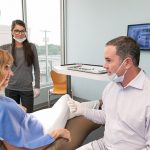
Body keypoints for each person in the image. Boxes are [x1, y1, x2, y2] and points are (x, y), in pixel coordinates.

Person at [68, 36, 150, 150]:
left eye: (109, 60)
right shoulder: (110, 88)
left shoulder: (147, 96)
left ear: (127, 63)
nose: (104, 65)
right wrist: (82, 110)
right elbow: (106, 116)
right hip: (104, 145)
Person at [0, 49, 72, 149]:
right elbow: (16, 147)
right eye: (6, 67)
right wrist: (57, 133)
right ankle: (98, 105)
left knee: (69, 104)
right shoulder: (3, 109)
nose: (11, 73)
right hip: (39, 131)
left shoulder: (3, 103)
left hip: (31, 121)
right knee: (67, 99)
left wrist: (16, 108)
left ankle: (97, 106)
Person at [0, 19, 40, 113]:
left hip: (27, 89)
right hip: (11, 89)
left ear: (25, 32)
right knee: (13, 116)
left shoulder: (31, 47)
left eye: (22, 31)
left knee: (28, 115)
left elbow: (37, 68)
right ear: (12, 32)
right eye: (16, 30)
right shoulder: (5, 48)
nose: (20, 33)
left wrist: (37, 86)